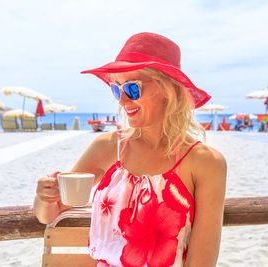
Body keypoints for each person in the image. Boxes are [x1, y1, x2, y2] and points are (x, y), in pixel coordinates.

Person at [34, 32, 227, 267]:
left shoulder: (206, 163)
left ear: (167, 89)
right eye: (117, 89)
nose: (122, 101)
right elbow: (50, 214)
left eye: (133, 89)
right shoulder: (107, 147)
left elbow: (202, 263)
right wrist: (45, 196)